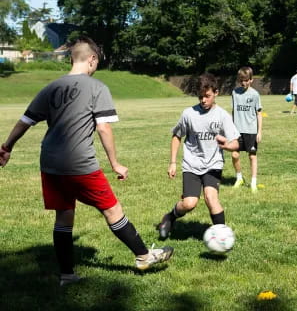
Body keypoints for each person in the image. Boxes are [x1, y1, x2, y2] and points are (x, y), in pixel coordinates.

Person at [0, 36, 173, 286]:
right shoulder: (96, 87)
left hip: (50, 163)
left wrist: (7, 147)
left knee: (63, 217)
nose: (96, 68)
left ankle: (67, 275)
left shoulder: (51, 88)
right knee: (113, 210)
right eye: (97, 62)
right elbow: (103, 128)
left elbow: (25, 121)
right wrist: (115, 163)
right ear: (91, 60)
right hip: (80, 163)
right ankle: (144, 256)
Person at [158, 73, 240, 240]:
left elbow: (236, 143)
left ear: (216, 93)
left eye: (207, 96)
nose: (203, 100)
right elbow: (176, 136)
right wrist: (172, 162)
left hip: (213, 164)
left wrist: (228, 146)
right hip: (191, 164)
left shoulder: (223, 116)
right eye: (200, 96)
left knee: (211, 197)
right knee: (189, 203)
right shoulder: (189, 114)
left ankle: (221, 238)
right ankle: (170, 217)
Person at [231, 66, 263, 193]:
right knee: (234, 155)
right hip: (237, 131)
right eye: (241, 80)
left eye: (245, 80)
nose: (243, 83)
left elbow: (259, 113)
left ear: (251, 80)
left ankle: (253, 182)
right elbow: (234, 111)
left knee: (252, 156)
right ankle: (239, 178)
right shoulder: (234, 93)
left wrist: (259, 132)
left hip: (250, 131)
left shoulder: (255, 94)